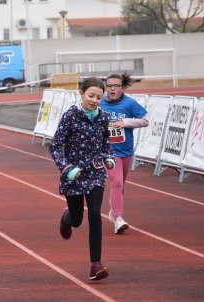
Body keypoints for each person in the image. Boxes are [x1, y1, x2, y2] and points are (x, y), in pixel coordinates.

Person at [49, 77, 115, 281]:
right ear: (81, 94)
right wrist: (67, 169)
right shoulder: (70, 116)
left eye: (99, 97)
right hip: (74, 175)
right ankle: (67, 217)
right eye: (91, 96)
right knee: (77, 220)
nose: (95, 100)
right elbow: (55, 146)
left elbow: (107, 141)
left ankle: (96, 264)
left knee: (95, 215)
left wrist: (109, 157)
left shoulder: (105, 117)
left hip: (95, 173)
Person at [100, 73, 149, 234]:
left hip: (126, 150)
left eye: (116, 86)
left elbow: (145, 121)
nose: (112, 89)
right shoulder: (99, 103)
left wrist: (126, 122)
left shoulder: (130, 103)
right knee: (117, 183)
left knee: (121, 185)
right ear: (105, 87)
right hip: (108, 152)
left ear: (122, 88)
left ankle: (114, 210)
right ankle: (118, 218)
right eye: (109, 86)